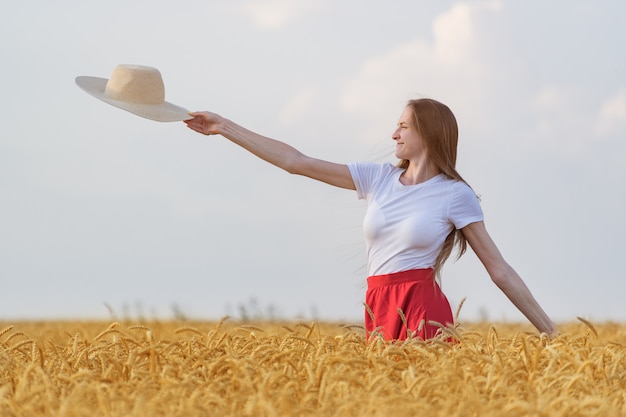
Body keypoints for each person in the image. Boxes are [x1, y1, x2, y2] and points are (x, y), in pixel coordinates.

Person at [184, 98, 558, 340]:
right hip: (377, 304)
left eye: (403, 126)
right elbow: (295, 162)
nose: (393, 133)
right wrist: (224, 127)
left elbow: (500, 271)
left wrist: (550, 332)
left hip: (422, 307)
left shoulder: (454, 194)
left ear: (427, 133)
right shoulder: (378, 179)